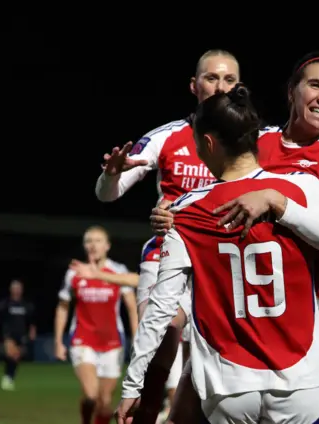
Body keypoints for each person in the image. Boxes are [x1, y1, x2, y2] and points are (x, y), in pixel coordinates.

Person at [118, 83, 319, 424]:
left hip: (228, 386)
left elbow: (160, 309)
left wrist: (133, 386)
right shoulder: (301, 188)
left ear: (208, 143)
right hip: (300, 380)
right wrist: (282, 207)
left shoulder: (185, 211)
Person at [95, 49, 240, 422]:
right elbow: (109, 193)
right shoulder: (167, 137)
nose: (220, 87)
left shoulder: (253, 144)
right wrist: (111, 174)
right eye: (211, 78)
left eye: (229, 80)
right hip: (166, 258)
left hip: (223, 269)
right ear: (194, 86)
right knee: (163, 336)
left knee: (207, 378)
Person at [54, 225, 138, 424]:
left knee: (105, 403)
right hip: (83, 341)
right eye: (89, 241)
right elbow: (63, 307)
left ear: (107, 246)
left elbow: (132, 309)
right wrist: (58, 341)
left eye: (98, 240)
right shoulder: (74, 273)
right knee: (91, 395)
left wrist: (137, 340)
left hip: (112, 344)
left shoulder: (118, 271)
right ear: (84, 246)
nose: (93, 245)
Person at [0, 279, 36, 391]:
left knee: (16, 357)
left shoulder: (26, 305)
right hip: (8, 334)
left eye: (18, 288)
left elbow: (31, 321)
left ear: (21, 290)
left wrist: (32, 331)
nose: (17, 290)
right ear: (11, 290)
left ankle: (9, 377)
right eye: (14, 288)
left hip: (21, 335)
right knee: (11, 353)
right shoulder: (5, 304)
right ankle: (7, 378)